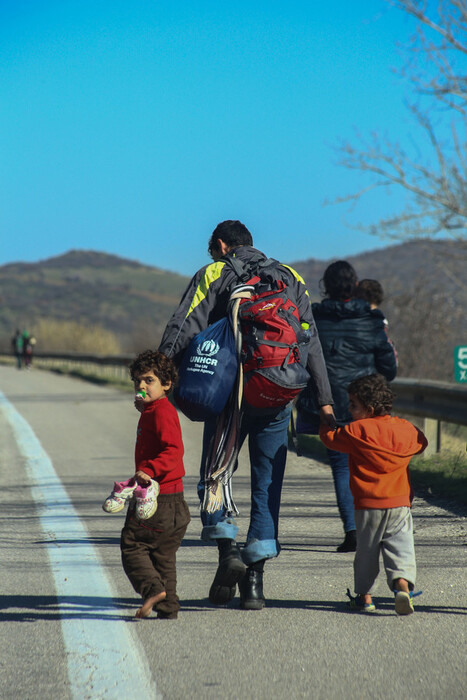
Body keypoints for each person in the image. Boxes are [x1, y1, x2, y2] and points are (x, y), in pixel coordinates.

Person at [159, 220, 334, 610]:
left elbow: (184, 325)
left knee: (214, 474)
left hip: (229, 396)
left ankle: (227, 550)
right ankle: (254, 583)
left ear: (221, 245)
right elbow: (311, 340)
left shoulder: (215, 273)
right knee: (267, 483)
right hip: (277, 392)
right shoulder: (290, 277)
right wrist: (324, 400)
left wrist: (159, 372)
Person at [296, 261, 397, 553]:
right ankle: (381, 531)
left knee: (341, 466)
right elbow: (388, 367)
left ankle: (353, 532)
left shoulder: (312, 318)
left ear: (325, 286)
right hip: (365, 405)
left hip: (327, 406)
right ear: (354, 286)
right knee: (374, 465)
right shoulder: (371, 319)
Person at [319, 374, 427, 615]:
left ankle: (365, 597)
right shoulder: (404, 429)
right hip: (400, 503)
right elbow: (422, 441)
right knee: (401, 549)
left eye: (353, 405)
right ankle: (402, 587)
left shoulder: (356, 431)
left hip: (367, 505)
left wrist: (326, 419)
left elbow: (329, 439)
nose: (349, 409)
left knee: (367, 553)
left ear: (368, 409)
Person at [118, 350, 190, 619]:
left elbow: (174, 450)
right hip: (174, 501)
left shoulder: (162, 413)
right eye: (138, 381)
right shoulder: (155, 410)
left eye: (149, 381)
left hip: (156, 499)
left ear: (167, 384)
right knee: (163, 554)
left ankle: (151, 590)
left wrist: (147, 470)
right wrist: (146, 407)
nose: (141, 386)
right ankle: (168, 606)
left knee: (132, 543)